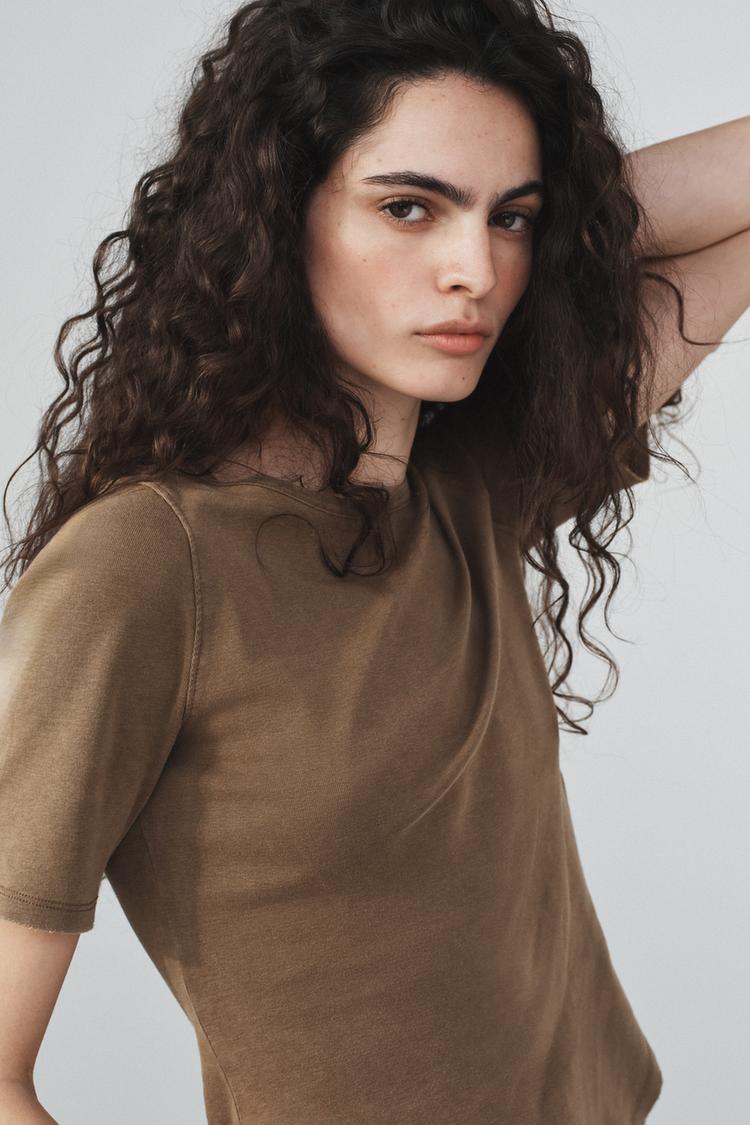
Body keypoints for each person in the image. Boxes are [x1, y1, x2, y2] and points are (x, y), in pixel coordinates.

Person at [1, 1, 748, 1122]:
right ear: (270, 217)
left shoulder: (473, 486)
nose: (475, 270)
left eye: (513, 219)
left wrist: (563, 219)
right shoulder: (146, 568)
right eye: (408, 207)